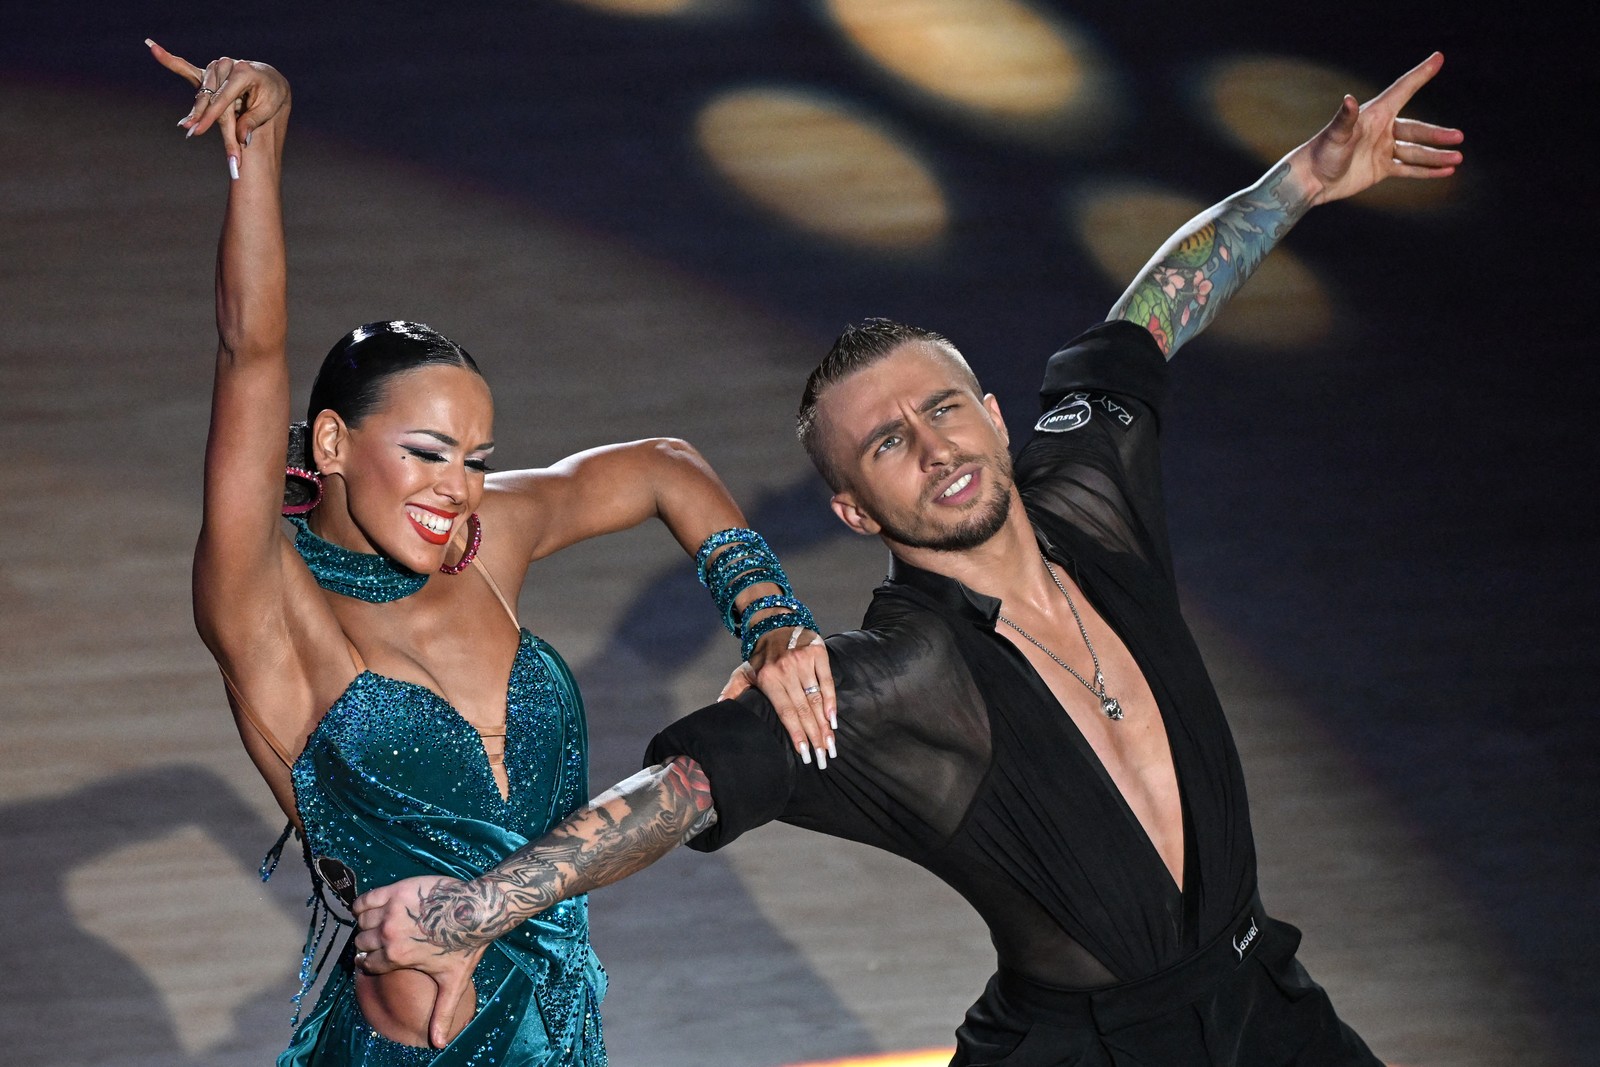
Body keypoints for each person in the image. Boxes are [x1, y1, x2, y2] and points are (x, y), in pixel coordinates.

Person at [352, 56, 1463, 1065]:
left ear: (990, 411)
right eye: (888, 443)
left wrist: (1302, 178)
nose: (934, 447)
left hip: (1266, 1009)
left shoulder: (1095, 486)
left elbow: (1156, 307)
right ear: (850, 507)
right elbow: (679, 790)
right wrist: (478, 908)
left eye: (943, 408)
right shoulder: (888, 681)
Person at [150, 42, 843, 1067]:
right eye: (426, 453)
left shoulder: (484, 541)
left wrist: (771, 619)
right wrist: (262, 151)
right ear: (332, 444)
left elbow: (666, 466)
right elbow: (248, 349)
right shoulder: (266, 601)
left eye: (475, 458)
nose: (457, 487)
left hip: (560, 1018)